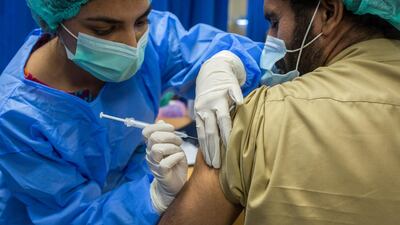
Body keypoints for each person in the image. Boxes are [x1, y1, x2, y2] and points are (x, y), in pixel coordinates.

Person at [0, 0, 264, 224]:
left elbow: (231, 51)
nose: (131, 43)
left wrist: (223, 63)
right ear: (58, 22)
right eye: (104, 29)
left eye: (141, 21)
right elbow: (73, 217)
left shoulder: (153, 37)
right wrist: (151, 198)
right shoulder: (17, 116)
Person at [150, 0, 400, 224]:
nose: (268, 38)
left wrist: (159, 201)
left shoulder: (258, 115)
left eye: (274, 21)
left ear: (328, 12)